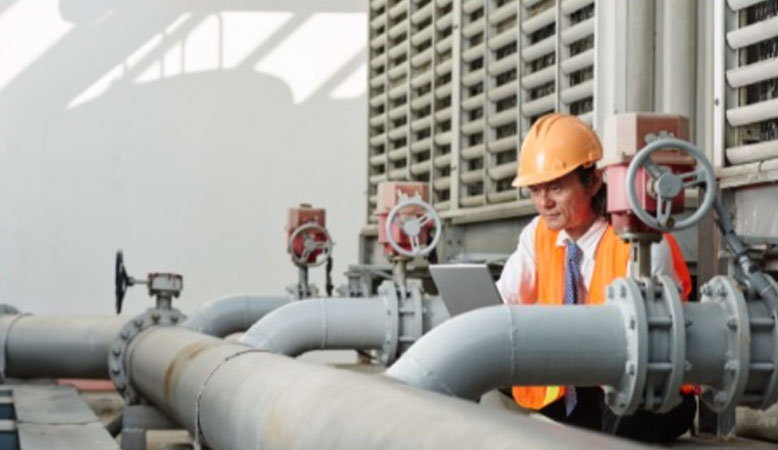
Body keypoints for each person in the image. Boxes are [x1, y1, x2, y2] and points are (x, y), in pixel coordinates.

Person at [495, 113, 696, 443]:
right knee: (490, 368)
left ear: (593, 182)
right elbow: (504, 300)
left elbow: (650, 347)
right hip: (577, 384)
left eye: (556, 188)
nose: (544, 203)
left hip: (643, 386)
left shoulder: (640, 242)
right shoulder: (538, 234)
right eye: (535, 190)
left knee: (625, 417)